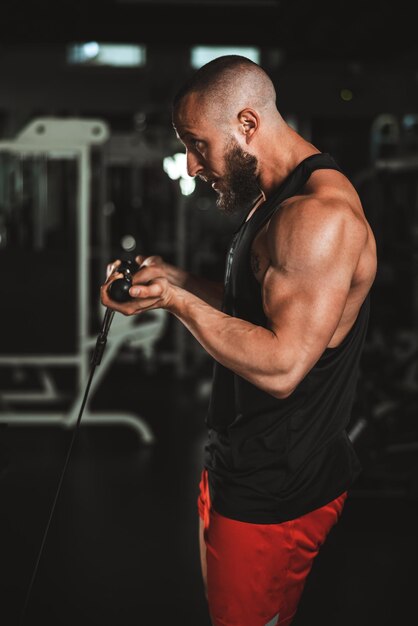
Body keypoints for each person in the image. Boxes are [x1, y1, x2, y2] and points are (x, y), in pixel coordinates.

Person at [101, 55, 377, 626]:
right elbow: (256, 309)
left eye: (197, 144)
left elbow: (281, 367)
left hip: (277, 489)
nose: (192, 164)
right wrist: (175, 280)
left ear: (247, 124)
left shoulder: (317, 218)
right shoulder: (274, 199)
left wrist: (175, 303)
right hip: (243, 465)